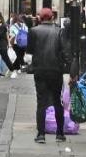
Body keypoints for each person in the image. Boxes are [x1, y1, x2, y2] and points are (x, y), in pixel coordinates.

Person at [27, 8, 69, 143]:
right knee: (57, 101)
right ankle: (60, 134)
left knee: (41, 102)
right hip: (56, 70)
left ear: (40, 17)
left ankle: (41, 135)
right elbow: (65, 51)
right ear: (52, 18)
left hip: (40, 70)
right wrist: (69, 69)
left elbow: (30, 50)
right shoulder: (59, 31)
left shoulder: (33, 31)